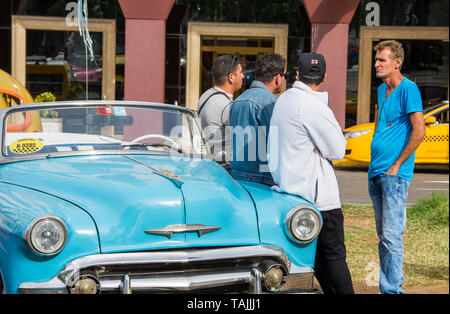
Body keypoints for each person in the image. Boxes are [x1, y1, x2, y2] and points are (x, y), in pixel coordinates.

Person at [267, 52, 354, 294]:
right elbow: (338, 149)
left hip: (288, 195)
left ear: (296, 74)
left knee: (311, 265)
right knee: (334, 260)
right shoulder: (313, 104)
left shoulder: (283, 101)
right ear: (324, 77)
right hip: (319, 202)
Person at [368, 40, 426, 294]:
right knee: (384, 236)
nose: (376, 64)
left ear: (397, 63)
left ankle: (392, 290)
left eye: (382, 60)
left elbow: (420, 130)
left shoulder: (408, 89)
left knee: (392, 236)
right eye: (376, 59)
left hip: (394, 175)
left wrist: (397, 165)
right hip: (376, 172)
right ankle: (390, 286)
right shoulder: (382, 90)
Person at [229, 53, 286, 184]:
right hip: (262, 178)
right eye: (284, 76)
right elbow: (278, 142)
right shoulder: (270, 103)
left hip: (238, 176)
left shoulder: (237, 101)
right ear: (277, 78)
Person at [198, 55, 244, 167]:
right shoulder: (226, 105)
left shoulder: (206, 95)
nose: (243, 76)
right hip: (223, 168)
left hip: (208, 163)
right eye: (241, 72)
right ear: (231, 77)